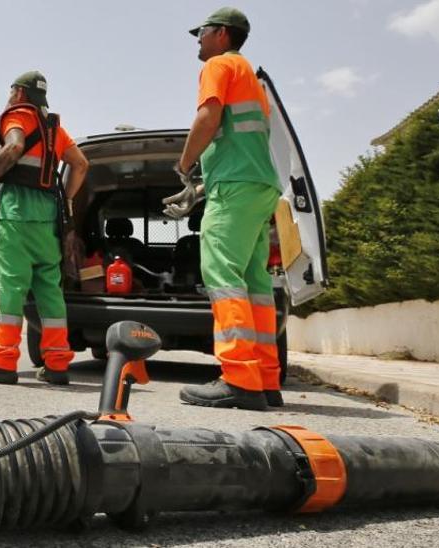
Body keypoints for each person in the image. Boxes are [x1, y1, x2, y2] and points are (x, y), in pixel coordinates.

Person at [165, 7, 282, 410]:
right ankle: (265, 379)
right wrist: (198, 189)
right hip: (256, 185)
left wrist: (182, 168)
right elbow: (239, 145)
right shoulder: (249, 75)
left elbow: (207, 119)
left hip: (235, 189)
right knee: (255, 284)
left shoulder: (219, 65)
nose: (198, 40)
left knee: (222, 274)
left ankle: (238, 377)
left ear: (221, 34)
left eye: (202, 32)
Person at [0, 71, 89, 386]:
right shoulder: (55, 130)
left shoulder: (17, 116)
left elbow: (14, 147)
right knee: (50, 291)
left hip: (17, 217)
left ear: (19, 92)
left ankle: (2, 363)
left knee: (12, 289)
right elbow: (81, 164)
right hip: (48, 222)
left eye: (10, 91)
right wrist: (68, 200)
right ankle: (58, 364)